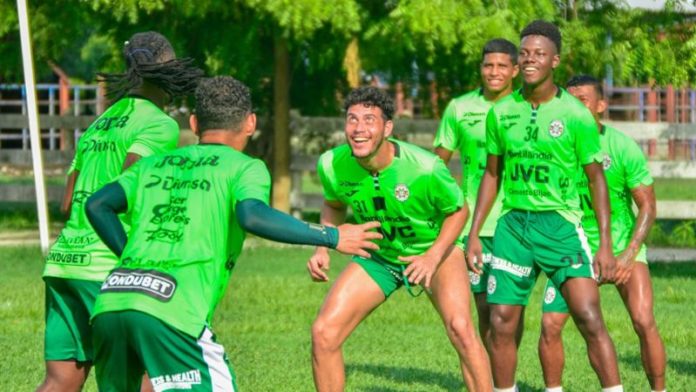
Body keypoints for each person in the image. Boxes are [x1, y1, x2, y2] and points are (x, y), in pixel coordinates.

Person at [84, 76, 382, 391]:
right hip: (172, 311)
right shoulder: (243, 167)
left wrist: (132, 262)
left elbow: (97, 205)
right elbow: (252, 215)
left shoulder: (151, 165)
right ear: (250, 122)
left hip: (110, 304)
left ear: (195, 122)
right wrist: (332, 236)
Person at [39, 31, 202, 392]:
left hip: (64, 262)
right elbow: (129, 187)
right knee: (146, 373)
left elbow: (67, 203)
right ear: (168, 70)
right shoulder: (159, 124)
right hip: (107, 266)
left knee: (61, 380)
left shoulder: (101, 122)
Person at [466, 20, 624, 391]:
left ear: (555, 60)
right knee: (502, 319)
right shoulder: (501, 113)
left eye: (539, 53)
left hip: (561, 226)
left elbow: (596, 179)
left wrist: (604, 244)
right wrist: (474, 234)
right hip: (513, 226)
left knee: (588, 315)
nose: (531, 59)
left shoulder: (575, 115)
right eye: (525, 53)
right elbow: (492, 175)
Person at [308, 86, 492, 391]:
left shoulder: (425, 167)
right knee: (324, 332)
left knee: (461, 329)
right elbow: (334, 203)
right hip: (380, 257)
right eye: (352, 119)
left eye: (369, 119)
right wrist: (324, 245)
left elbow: (459, 211)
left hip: (435, 252)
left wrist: (432, 257)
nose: (359, 129)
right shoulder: (332, 164)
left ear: (387, 128)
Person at [539, 75, 666, 392]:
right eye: (568, 99)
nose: (573, 106)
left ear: (600, 105)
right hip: (574, 250)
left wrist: (628, 254)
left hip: (623, 248)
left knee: (643, 319)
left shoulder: (621, 147)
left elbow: (648, 206)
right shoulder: (552, 148)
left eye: (581, 99)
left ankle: (660, 390)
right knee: (550, 325)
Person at [433, 38, 520, 345]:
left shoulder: (526, 108)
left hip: (516, 221)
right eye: (488, 65)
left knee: (508, 308)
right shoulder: (460, 108)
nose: (493, 72)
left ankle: (503, 377)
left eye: (501, 66)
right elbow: (436, 165)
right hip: (475, 224)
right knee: (484, 306)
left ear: (515, 70)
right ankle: (490, 376)